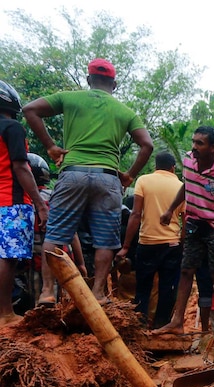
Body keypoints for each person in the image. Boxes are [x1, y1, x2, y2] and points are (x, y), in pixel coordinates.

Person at [23, 58, 154, 306]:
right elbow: (147, 145)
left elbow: (30, 109)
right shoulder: (125, 111)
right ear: (114, 84)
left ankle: (48, 291)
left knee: (56, 233)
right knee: (106, 239)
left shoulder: (69, 98)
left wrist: (51, 146)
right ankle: (98, 293)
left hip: (73, 173)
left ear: (88, 80)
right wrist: (128, 175)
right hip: (107, 177)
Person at [152, 126, 214, 334]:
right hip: (194, 223)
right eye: (194, 142)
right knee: (186, 270)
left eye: (200, 143)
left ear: (213, 147)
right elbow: (187, 184)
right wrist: (170, 209)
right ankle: (177, 322)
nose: (194, 147)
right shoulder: (189, 160)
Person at [0, 80, 49, 326]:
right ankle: (5, 313)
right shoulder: (12, 128)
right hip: (11, 200)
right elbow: (20, 166)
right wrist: (40, 203)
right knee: (8, 257)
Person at [116, 151, 183, 328]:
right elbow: (187, 217)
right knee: (167, 288)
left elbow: (136, 214)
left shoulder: (144, 180)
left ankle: (140, 326)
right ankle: (161, 326)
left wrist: (126, 246)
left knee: (143, 288)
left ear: (155, 166)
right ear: (173, 168)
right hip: (172, 243)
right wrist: (181, 242)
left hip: (147, 243)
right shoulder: (181, 186)